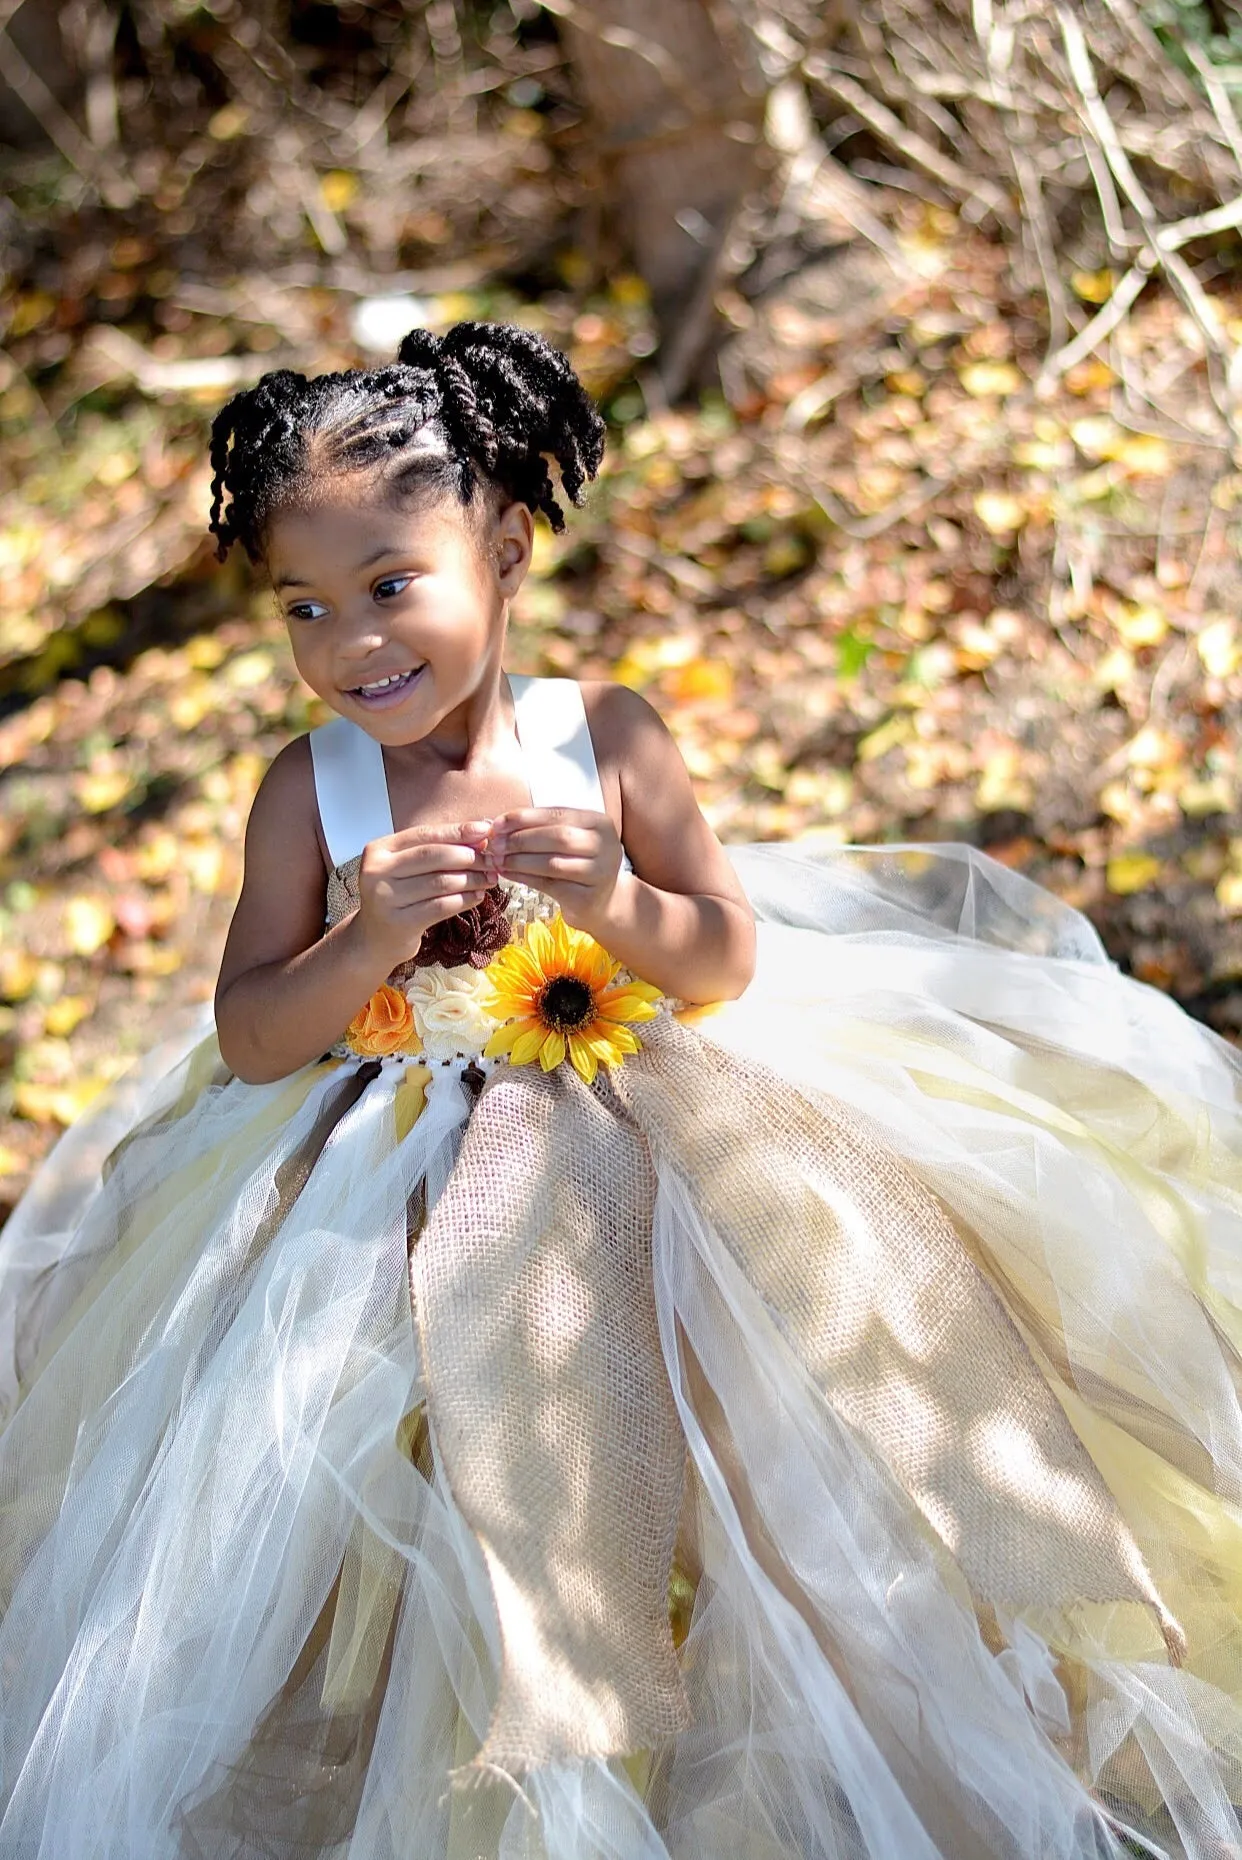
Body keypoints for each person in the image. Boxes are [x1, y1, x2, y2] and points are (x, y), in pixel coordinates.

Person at [1, 321, 1240, 1860]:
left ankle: (807, 1768)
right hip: (390, 1191)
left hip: (663, 1151)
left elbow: (720, 956)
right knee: (450, 1496)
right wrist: (364, 934)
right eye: (304, 608)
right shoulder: (302, 790)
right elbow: (254, 1030)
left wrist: (619, 905)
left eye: (392, 586)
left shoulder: (608, 737)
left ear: (506, 548)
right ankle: (484, 1798)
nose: (351, 644)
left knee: (742, 1460)